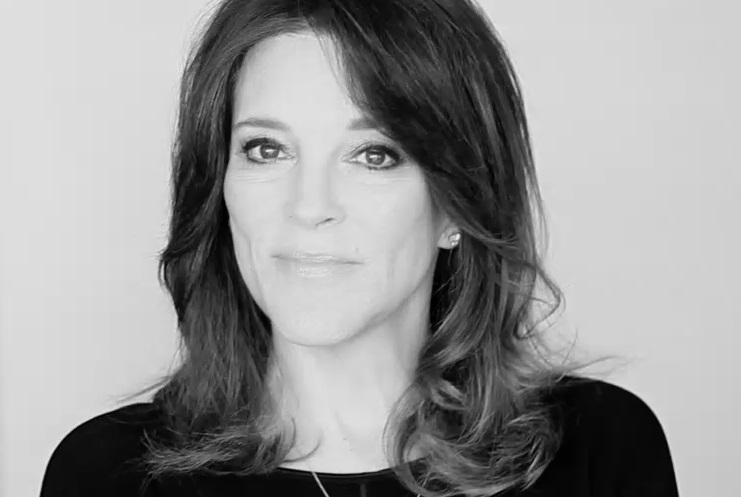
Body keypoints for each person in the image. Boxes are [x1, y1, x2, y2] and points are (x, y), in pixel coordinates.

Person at [39, 0, 679, 496]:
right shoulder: (105, 476)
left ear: (457, 205)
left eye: (374, 155)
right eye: (267, 149)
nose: (309, 205)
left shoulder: (601, 451)